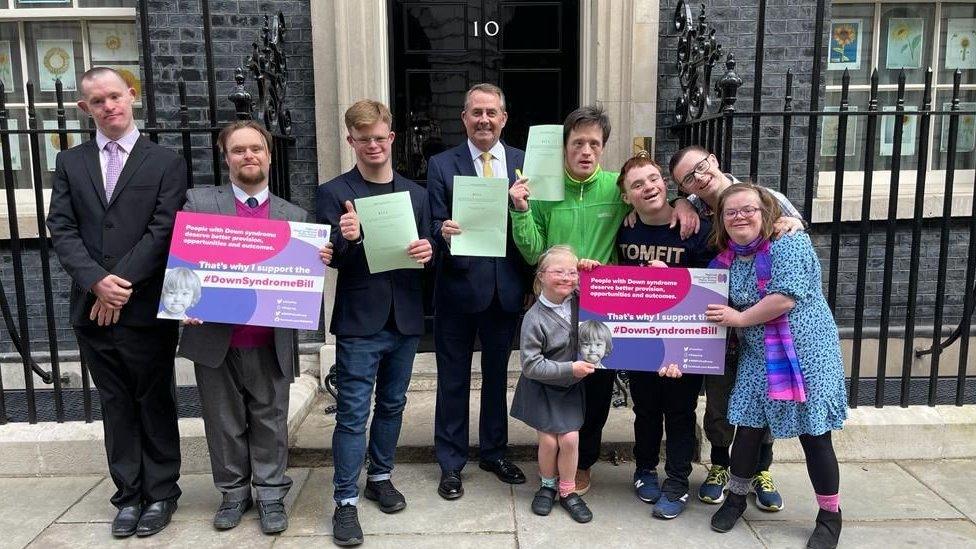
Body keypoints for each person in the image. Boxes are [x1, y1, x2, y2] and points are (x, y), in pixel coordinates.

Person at [508, 105, 699, 495]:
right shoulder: (544, 189)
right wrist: (521, 211)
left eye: (594, 143)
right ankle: (554, 458)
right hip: (557, 304)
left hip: (604, 306)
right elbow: (532, 252)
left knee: (596, 388)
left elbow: (654, 201)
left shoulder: (617, 187)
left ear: (603, 148)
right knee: (558, 381)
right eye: (578, 143)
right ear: (565, 147)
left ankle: (583, 464)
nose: (586, 151)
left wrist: (684, 202)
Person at [46, 67, 186, 538]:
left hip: (144, 306)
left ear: (132, 95)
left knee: (154, 399)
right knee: (116, 403)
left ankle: (162, 492)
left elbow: (164, 229)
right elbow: (61, 229)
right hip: (91, 307)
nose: (109, 107)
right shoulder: (70, 162)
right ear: (85, 108)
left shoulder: (165, 160)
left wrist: (118, 283)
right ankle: (128, 495)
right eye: (98, 101)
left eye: (115, 97)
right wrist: (95, 282)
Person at [177, 121, 332, 535]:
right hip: (214, 334)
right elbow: (181, 260)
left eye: (256, 149)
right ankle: (232, 493)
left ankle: (269, 494)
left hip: (269, 337)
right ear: (225, 156)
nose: (249, 156)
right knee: (222, 420)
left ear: (268, 155)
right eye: (239, 150)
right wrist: (182, 300)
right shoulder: (200, 203)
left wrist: (317, 259)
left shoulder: (293, 216)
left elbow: (301, 276)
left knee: (270, 418)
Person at [316, 99, 435, 547]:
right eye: (363, 139)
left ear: (391, 138)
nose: (373, 146)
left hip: (404, 316)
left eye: (380, 138)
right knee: (351, 415)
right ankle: (344, 501)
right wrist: (347, 239)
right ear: (351, 141)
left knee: (392, 405)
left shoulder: (416, 193)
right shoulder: (334, 192)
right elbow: (332, 258)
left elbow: (428, 252)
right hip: (360, 320)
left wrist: (430, 252)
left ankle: (380, 477)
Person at [703, 184, 846, 549]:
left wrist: (737, 318)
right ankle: (736, 499)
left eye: (747, 209)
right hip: (757, 354)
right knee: (748, 428)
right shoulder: (726, 259)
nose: (740, 217)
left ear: (765, 212)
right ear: (721, 220)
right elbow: (700, 292)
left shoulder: (788, 243)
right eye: (730, 212)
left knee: (814, 436)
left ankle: (830, 516)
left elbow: (782, 300)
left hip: (806, 353)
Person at [669, 144, 804, 510]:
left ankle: (761, 469)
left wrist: (795, 223)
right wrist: (679, 204)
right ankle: (719, 466)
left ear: (714, 158)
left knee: (766, 400)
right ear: (685, 188)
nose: (700, 176)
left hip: (766, 327)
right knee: (719, 402)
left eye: (701, 166)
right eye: (688, 177)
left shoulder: (766, 197)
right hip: (721, 328)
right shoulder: (693, 209)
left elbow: (796, 243)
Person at [427, 83, 530, 500]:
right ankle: (451, 463)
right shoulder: (441, 164)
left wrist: (531, 281)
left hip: (506, 289)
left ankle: (493, 451)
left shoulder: (524, 163)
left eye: (492, 113)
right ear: (464, 118)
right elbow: (431, 222)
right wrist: (442, 231)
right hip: (456, 289)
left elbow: (535, 223)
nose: (484, 120)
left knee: (495, 378)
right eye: (476, 113)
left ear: (504, 118)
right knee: (452, 379)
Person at [613, 152, 716, 520]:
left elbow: (716, 283)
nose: (648, 187)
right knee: (645, 409)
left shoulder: (695, 228)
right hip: (640, 337)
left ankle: (677, 480)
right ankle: (644, 470)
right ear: (626, 196)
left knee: (680, 411)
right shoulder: (623, 228)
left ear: (665, 182)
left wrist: (676, 276)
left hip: (685, 338)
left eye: (654, 178)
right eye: (637, 184)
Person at [510, 245, 595, 523]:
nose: (567, 278)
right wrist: (570, 367)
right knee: (548, 440)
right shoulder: (534, 318)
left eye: (572, 272)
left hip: (570, 388)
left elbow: (608, 293)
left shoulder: (581, 300)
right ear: (541, 276)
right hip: (543, 386)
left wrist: (593, 270)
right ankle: (547, 486)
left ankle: (568, 491)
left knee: (570, 438)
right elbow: (531, 365)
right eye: (558, 271)